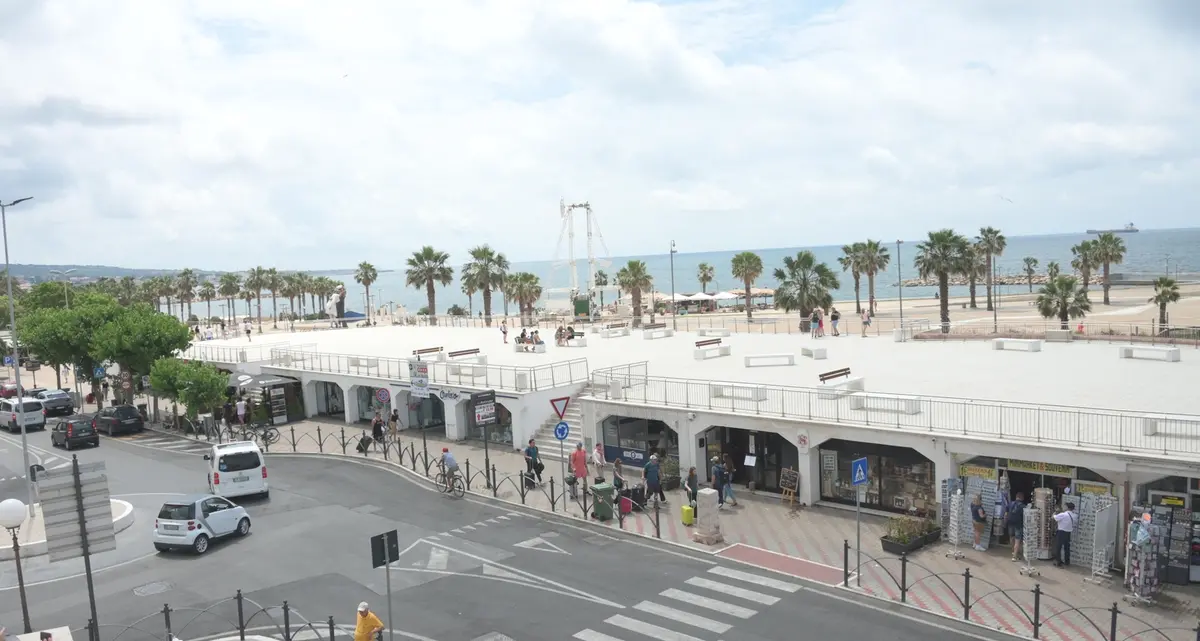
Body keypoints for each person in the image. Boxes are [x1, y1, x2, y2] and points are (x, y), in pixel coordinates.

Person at [1053, 502, 1078, 567]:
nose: (1063, 507)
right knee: (1067, 548)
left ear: (1067, 507)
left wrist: (1055, 513)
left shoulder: (1063, 514)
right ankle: (1067, 561)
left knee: (1058, 547)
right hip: (1068, 533)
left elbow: (1055, 518)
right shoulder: (1075, 515)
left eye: (1064, 506)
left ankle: (1058, 562)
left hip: (1061, 532)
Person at [1007, 493, 1026, 561]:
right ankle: (1015, 556)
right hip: (1018, 525)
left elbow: (1006, 513)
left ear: (1016, 497)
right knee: (1017, 540)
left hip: (1010, 523)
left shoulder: (1010, 504)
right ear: (1022, 498)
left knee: (1011, 537)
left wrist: (1005, 521)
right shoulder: (1023, 506)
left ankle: (1013, 551)